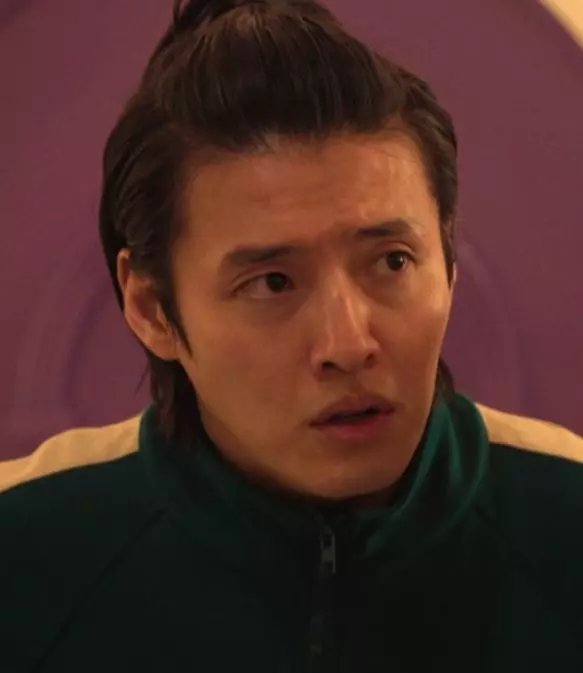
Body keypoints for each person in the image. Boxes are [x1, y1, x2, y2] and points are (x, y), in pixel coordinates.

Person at [1, 0, 582, 671]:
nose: (348, 343)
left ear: (448, 265)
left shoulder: (563, 522)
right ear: (151, 308)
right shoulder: (27, 554)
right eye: (272, 282)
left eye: (392, 261)